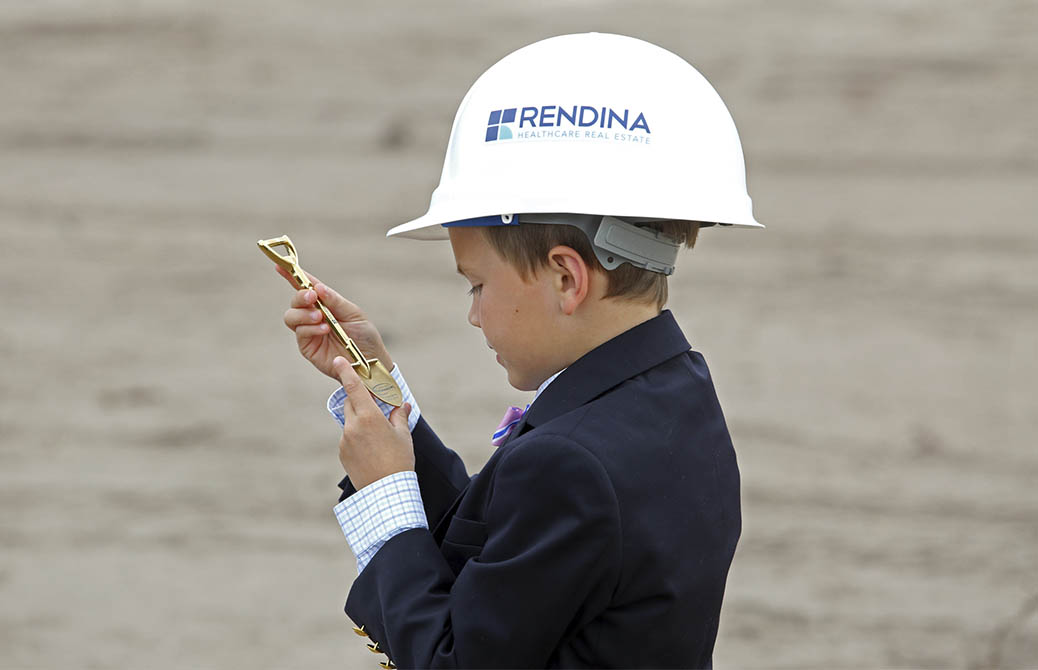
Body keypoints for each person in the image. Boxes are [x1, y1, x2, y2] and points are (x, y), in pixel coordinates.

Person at [276, 33, 762, 669]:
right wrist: (381, 385)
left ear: (566, 277)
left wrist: (387, 496)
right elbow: (504, 546)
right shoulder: (674, 390)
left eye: (478, 285)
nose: (473, 314)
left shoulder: (569, 465)